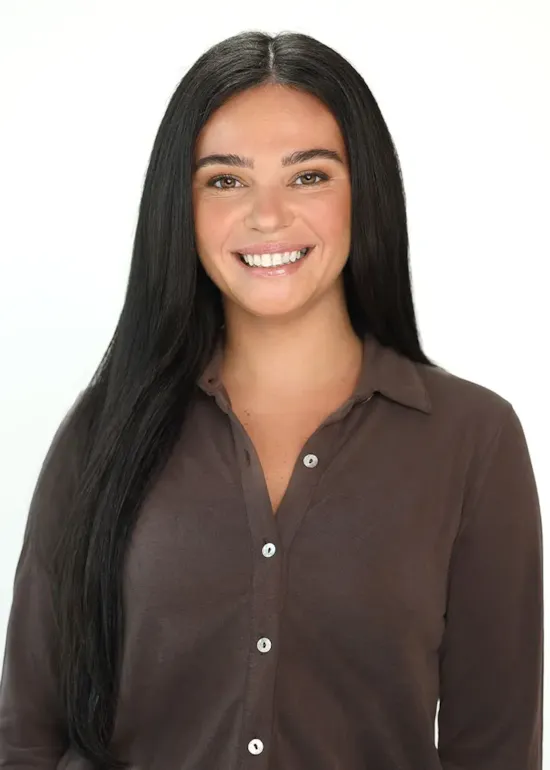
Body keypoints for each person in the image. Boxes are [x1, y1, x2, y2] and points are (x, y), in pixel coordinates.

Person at [0, 29, 543, 770]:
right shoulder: (102, 433)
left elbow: (496, 752)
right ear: (181, 207)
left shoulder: (473, 440)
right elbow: (26, 738)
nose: (267, 215)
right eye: (225, 180)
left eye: (309, 176)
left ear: (365, 191)